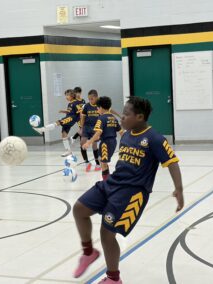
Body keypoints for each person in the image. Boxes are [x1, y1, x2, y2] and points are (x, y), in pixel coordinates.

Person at [73, 96, 184, 283]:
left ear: (140, 117)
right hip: (112, 184)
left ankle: (113, 278)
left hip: (133, 193)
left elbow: (172, 162)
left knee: (107, 232)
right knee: (79, 209)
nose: (121, 118)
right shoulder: (125, 135)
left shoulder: (154, 138)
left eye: (126, 114)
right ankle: (88, 252)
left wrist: (179, 189)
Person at [33, 89, 82, 157]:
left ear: (72, 95)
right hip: (68, 117)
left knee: (58, 122)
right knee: (64, 134)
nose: (66, 97)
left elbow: (80, 112)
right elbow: (69, 111)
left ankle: (42, 130)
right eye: (66, 95)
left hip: (71, 118)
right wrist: (63, 111)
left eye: (68, 95)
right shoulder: (70, 103)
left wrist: (81, 122)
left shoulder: (76, 103)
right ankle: (68, 151)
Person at [83, 96, 122, 181]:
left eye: (97, 108)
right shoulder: (113, 118)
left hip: (105, 143)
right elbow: (121, 131)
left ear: (101, 107)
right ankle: (107, 179)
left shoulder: (101, 118)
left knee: (103, 163)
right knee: (103, 161)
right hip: (113, 142)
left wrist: (88, 142)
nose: (97, 110)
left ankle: (106, 182)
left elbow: (98, 133)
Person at [80, 89, 101, 172]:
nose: (90, 100)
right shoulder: (86, 106)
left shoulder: (99, 106)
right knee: (82, 143)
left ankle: (98, 164)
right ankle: (87, 162)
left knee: (94, 145)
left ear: (96, 97)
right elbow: (83, 117)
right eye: (89, 99)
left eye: (92, 98)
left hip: (96, 128)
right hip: (86, 127)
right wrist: (81, 128)